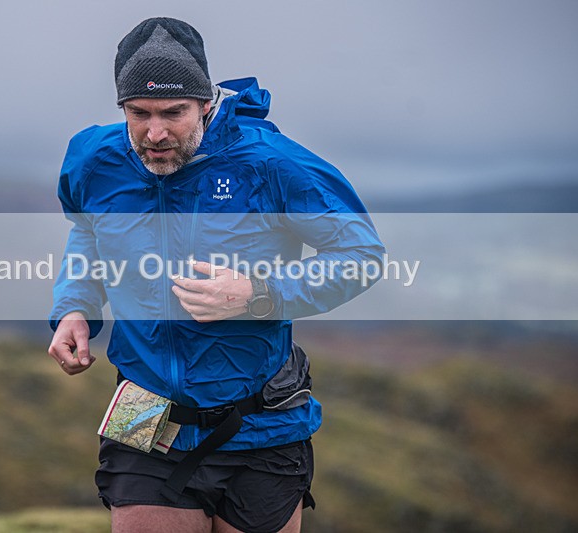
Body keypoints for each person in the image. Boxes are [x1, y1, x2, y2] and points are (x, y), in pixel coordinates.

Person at [48, 17, 384, 533]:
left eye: (173, 113)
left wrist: (261, 294)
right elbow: (89, 231)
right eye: (138, 113)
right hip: (143, 408)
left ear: (206, 103)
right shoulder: (96, 161)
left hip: (262, 423)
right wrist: (75, 306)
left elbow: (362, 255)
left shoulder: (270, 163)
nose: (155, 133)